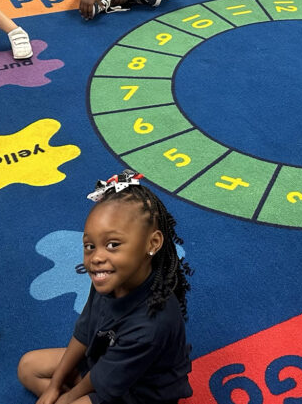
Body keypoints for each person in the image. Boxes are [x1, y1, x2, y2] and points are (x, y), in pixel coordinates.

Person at [18, 170, 193, 404]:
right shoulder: (109, 279)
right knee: (27, 367)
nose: (96, 258)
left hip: (138, 392)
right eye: (90, 246)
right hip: (105, 363)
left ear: (153, 243)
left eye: (112, 244)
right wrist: (54, 387)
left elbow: (103, 379)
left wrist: (67, 397)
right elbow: (84, 331)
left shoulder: (152, 323)